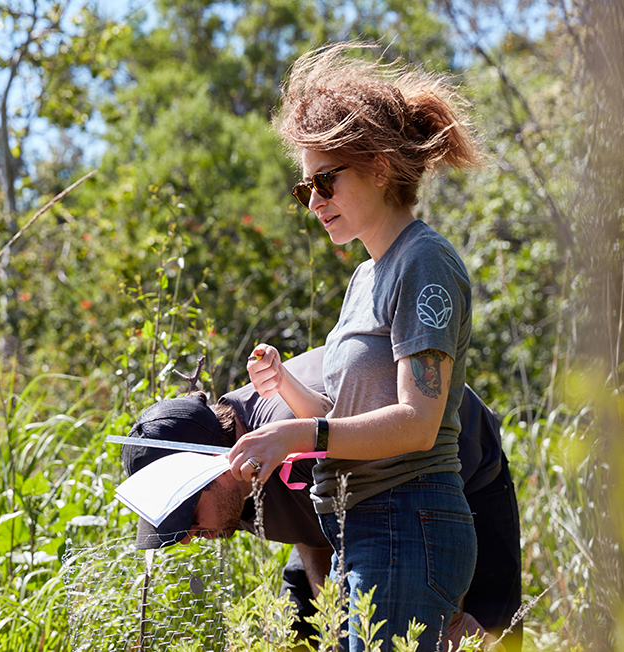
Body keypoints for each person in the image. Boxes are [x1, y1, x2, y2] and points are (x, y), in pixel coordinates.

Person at [226, 43, 484, 650]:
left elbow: (418, 424)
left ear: (380, 167)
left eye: (325, 181)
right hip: (365, 528)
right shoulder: (367, 274)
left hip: (407, 521)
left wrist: (294, 436)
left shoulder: (423, 261)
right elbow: (349, 423)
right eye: (304, 188)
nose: (313, 202)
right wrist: (286, 390)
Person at [122, 347, 522, 650]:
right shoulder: (232, 486)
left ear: (217, 466)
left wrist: (445, 618)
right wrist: (332, 619)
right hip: (347, 504)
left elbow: (418, 528)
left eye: (188, 516)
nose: (191, 534)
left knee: (482, 636)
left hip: (452, 469)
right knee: (302, 629)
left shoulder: (288, 438)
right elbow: (307, 523)